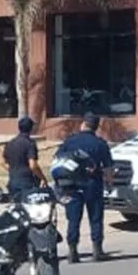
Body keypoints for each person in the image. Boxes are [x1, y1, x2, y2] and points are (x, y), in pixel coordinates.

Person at [57, 112, 114, 264]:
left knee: (73, 218)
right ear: (96, 127)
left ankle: (72, 252)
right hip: (93, 184)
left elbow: (58, 159)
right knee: (95, 217)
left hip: (72, 185)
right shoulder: (100, 144)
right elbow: (108, 168)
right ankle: (97, 250)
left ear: (83, 124)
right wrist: (109, 183)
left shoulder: (70, 141)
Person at [3, 116, 46, 198]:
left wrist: (14, 170)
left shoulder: (10, 143)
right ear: (31, 129)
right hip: (26, 182)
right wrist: (42, 178)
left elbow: (4, 163)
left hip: (12, 181)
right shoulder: (29, 144)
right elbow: (33, 165)